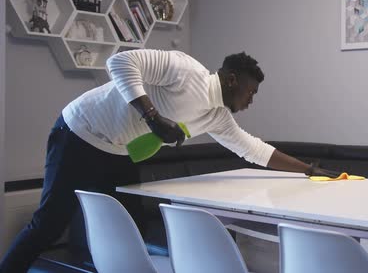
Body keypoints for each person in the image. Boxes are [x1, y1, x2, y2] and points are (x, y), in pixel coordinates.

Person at [0, 49, 339, 272]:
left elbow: (253, 149)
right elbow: (119, 63)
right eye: (250, 92)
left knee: (127, 229)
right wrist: (152, 116)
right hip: (77, 133)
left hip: (117, 151)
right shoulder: (185, 69)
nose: (250, 101)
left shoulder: (217, 117)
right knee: (48, 223)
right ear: (232, 79)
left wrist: (308, 169)